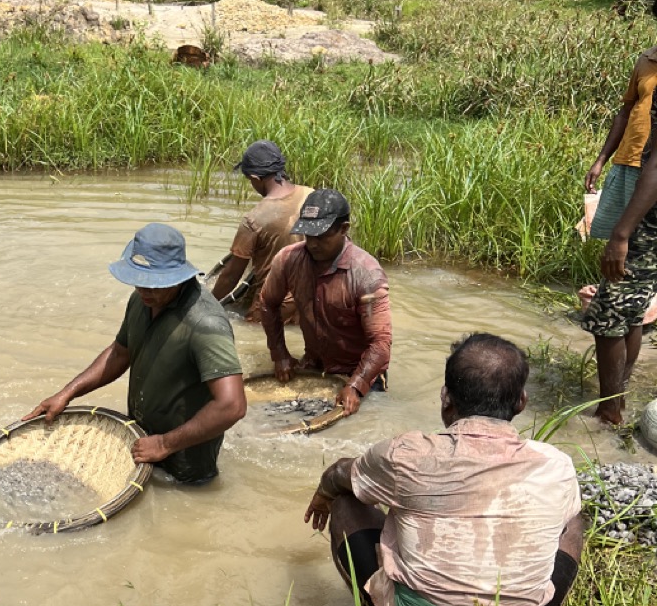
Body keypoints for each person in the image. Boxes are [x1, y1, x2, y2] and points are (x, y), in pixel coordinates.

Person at [304, 334, 583, 606]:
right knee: (573, 520)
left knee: (347, 500)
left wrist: (325, 493)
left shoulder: (407, 453)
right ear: (521, 402)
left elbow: (341, 473)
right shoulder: (556, 466)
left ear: (445, 398)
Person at [25, 223, 246, 484]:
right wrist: (67, 393)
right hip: (142, 439)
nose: (144, 290)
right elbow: (120, 352)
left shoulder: (205, 323)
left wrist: (164, 443)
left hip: (185, 457)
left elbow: (232, 406)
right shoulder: (142, 300)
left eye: (154, 284)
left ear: (177, 277)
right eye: (139, 280)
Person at [260, 188, 391, 418]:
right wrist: (279, 354)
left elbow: (380, 343)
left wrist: (355, 385)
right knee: (270, 416)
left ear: (344, 229)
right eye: (308, 235)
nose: (312, 243)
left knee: (360, 425)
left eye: (321, 236)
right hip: (314, 365)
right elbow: (268, 303)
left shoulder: (366, 275)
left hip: (359, 372)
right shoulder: (288, 259)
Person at [582, 35, 657, 424]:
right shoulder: (646, 60)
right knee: (632, 302)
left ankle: (609, 411)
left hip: (650, 191)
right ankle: (620, 399)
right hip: (634, 173)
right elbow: (626, 112)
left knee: (610, 307)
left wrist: (622, 234)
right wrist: (602, 158)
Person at [211, 140, 311, 323]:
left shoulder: (254, 219)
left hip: (275, 306)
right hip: (313, 300)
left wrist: (208, 303)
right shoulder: (312, 196)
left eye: (250, 181)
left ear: (256, 178)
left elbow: (231, 275)